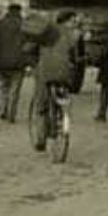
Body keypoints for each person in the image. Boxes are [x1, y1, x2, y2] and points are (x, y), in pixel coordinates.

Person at [32, 10, 79, 141]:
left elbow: (30, 49)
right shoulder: (72, 35)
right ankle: (62, 116)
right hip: (64, 72)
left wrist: (33, 62)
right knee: (63, 96)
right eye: (73, 21)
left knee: (41, 104)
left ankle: (40, 138)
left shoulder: (45, 31)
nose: (75, 24)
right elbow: (75, 56)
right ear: (66, 21)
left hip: (45, 70)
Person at [0, 3, 27, 123]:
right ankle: (11, 114)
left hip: (2, 60)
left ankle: (3, 110)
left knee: (3, 86)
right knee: (15, 88)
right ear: (19, 11)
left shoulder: (0, 24)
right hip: (18, 61)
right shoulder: (23, 25)